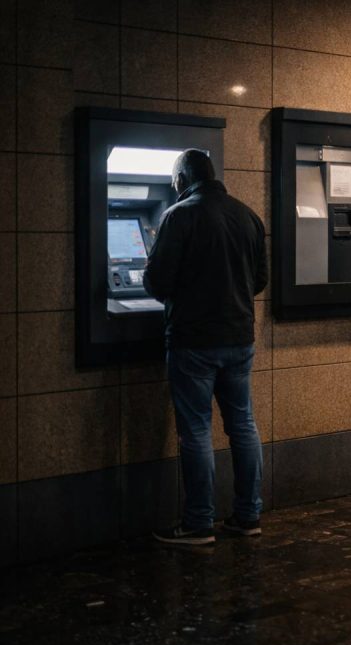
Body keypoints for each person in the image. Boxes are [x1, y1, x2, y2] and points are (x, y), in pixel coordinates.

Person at [144, 149, 269, 545]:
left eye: (174, 182)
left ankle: (199, 522)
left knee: (196, 430)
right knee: (243, 426)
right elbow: (260, 279)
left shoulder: (178, 216)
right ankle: (248, 516)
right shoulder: (248, 216)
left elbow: (157, 282)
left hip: (194, 342)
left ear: (182, 180)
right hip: (239, 338)